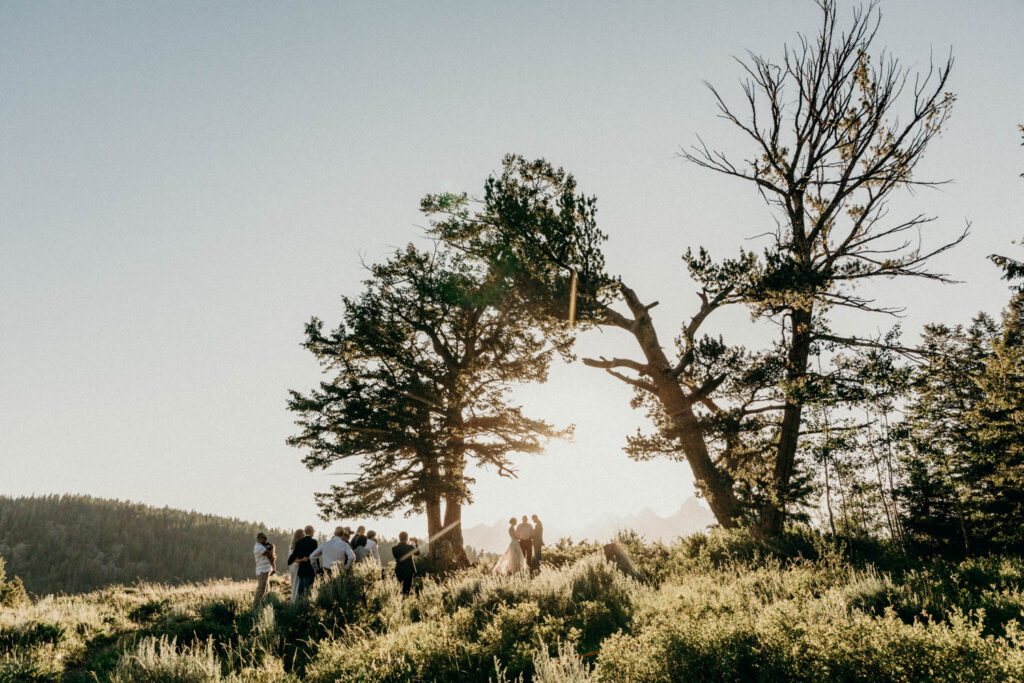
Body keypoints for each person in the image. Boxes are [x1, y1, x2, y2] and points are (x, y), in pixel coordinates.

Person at [287, 525, 319, 598]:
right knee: (306, 589)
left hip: (299, 568)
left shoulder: (297, 543)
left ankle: (296, 602)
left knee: (297, 587)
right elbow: (315, 557)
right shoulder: (313, 542)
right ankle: (301, 604)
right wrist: (316, 568)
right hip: (307, 568)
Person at [392, 531, 419, 596]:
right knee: (407, 590)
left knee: (399, 589)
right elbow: (418, 553)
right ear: (407, 538)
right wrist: (416, 543)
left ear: (399, 538)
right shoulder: (410, 547)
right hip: (409, 571)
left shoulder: (394, 548)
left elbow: (397, 556)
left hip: (399, 570)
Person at [252, 532, 274, 611]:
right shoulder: (259, 547)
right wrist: (272, 548)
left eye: (265, 538)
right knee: (261, 588)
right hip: (262, 570)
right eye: (262, 538)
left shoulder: (260, 546)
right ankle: (256, 606)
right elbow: (269, 554)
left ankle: (260, 605)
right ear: (258, 538)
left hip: (265, 569)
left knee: (265, 589)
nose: (264, 539)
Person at [287, 528, 304, 604]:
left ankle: (293, 601)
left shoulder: (291, 544)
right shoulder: (298, 544)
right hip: (297, 565)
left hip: (292, 566)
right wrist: (303, 559)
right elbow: (296, 559)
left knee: (293, 583)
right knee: (297, 584)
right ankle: (295, 602)